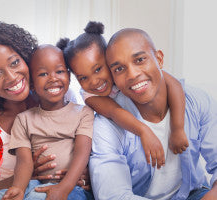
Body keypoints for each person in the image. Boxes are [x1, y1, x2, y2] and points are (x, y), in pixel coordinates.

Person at [0, 22, 89, 200]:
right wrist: (23, 178)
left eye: (14, 63)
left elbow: (82, 148)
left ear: (25, 58)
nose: (12, 77)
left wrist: (83, 176)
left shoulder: (60, 94)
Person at [89, 28, 217, 199]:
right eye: (119, 69)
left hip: (191, 194)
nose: (133, 74)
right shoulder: (107, 125)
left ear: (159, 59)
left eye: (140, 60)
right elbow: (114, 195)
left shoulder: (196, 101)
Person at [57, 21, 188, 169]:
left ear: (109, 60)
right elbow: (114, 112)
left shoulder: (128, 73)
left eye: (98, 69)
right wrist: (144, 131)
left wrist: (178, 128)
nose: (94, 82)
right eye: (83, 78)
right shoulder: (90, 95)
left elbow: (174, 85)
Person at [0, 44, 94, 200]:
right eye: (43, 74)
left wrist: (64, 188)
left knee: (37, 198)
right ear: (31, 83)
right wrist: (18, 188)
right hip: (36, 184)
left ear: (68, 76)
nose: (53, 78)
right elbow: (24, 161)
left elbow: (82, 153)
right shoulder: (23, 119)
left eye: (59, 71)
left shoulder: (83, 113)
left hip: (73, 186)